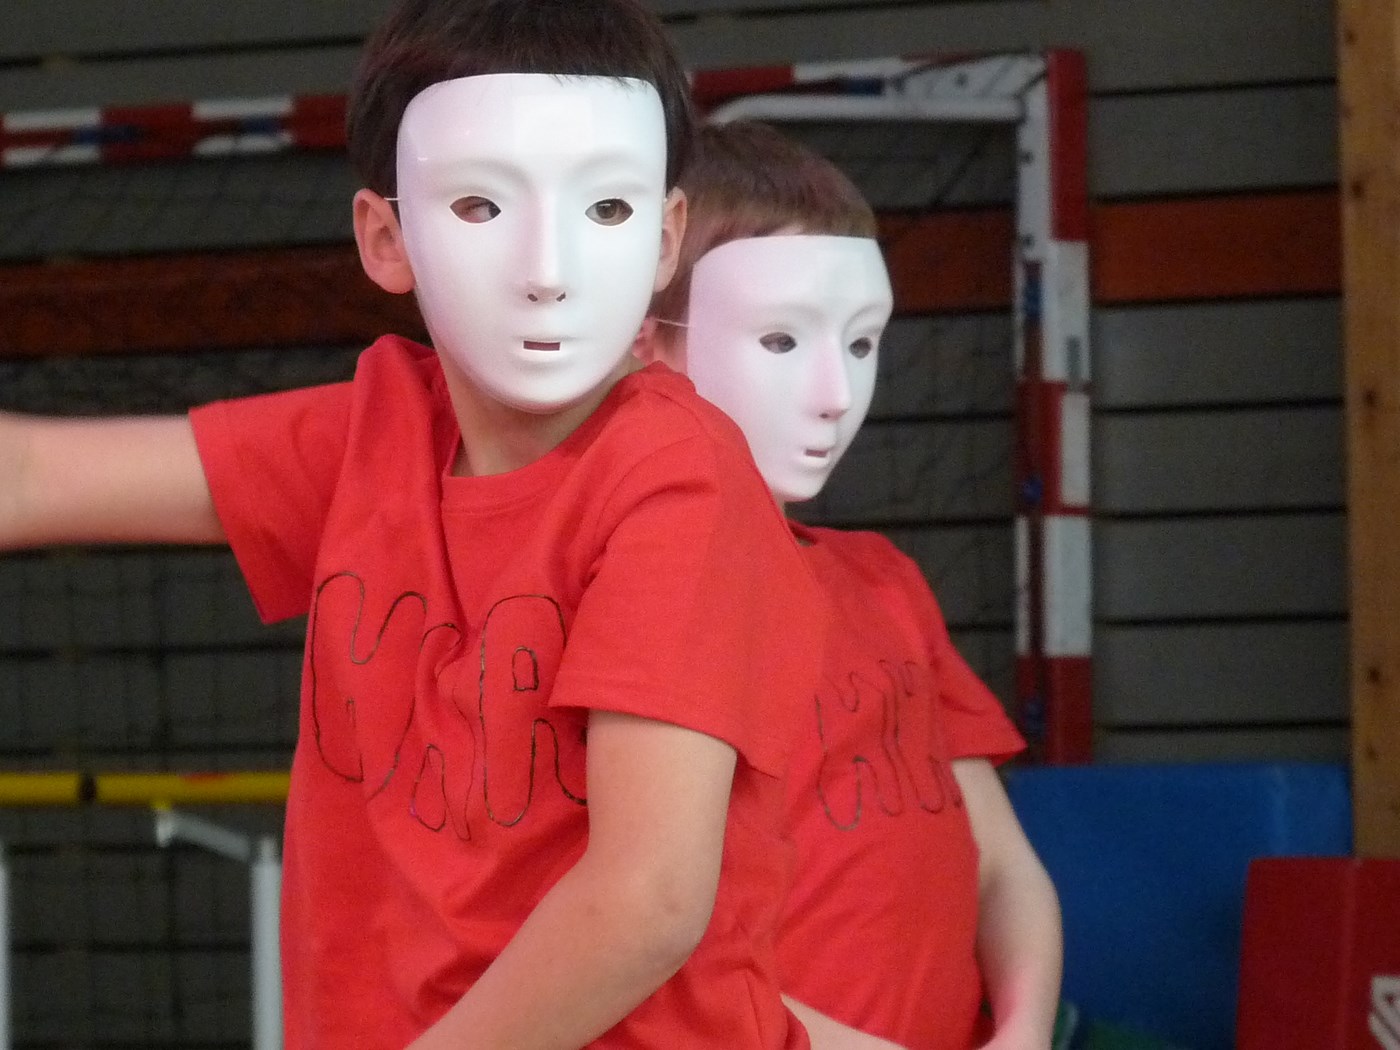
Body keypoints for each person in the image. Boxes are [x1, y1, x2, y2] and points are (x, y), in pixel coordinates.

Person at [0, 6, 830, 1048]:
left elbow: (647, 902)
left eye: (606, 207)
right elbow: (29, 475)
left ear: (665, 238)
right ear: (386, 239)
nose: (546, 267)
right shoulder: (377, 434)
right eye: (481, 204)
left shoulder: (679, 478)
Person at [640, 120, 1063, 1050]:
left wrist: (1024, 1031)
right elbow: (656, 956)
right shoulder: (626, 612)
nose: (836, 392)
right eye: (781, 339)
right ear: (644, 344)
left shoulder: (885, 586)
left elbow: (1001, 867)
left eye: (864, 344)